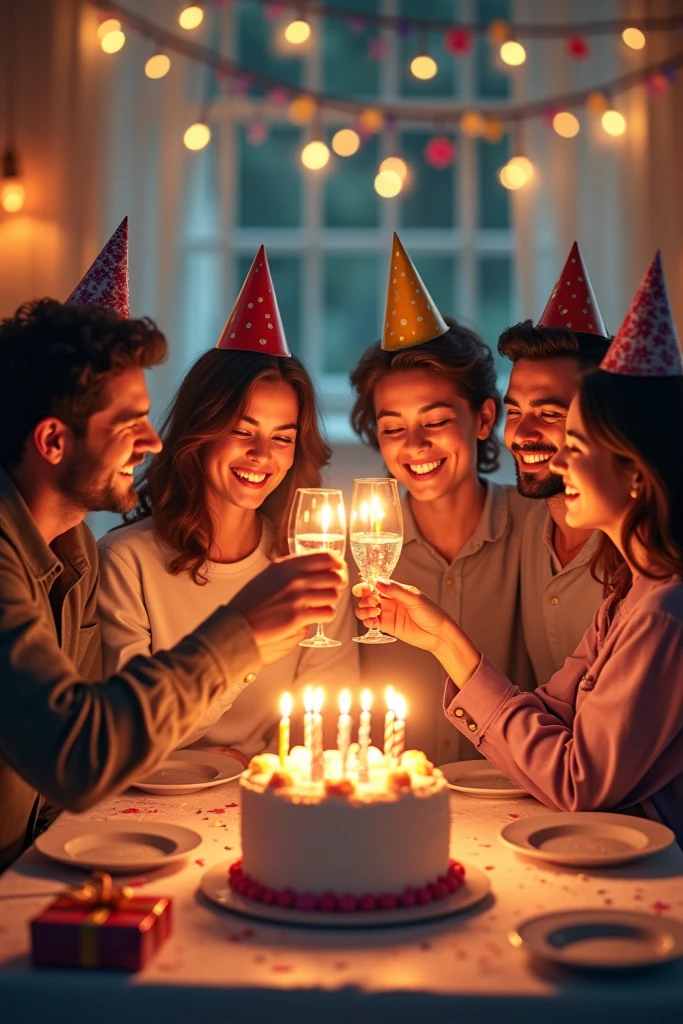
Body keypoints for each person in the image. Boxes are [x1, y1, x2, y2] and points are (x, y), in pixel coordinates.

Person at [0, 238, 345, 871]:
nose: (152, 439)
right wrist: (243, 632)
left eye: (282, 437)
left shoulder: (72, 554)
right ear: (52, 440)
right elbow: (82, 753)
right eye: (128, 421)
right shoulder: (87, 557)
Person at [356, 252, 683, 842]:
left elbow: (579, 783)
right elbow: (553, 711)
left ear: (635, 471)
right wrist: (443, 639)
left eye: (571, 438)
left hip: (643, 858)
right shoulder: (630, 591)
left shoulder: (661, 611)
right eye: (519, 412)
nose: (550, 451)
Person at [97, 247, 358, 763]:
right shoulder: (126, 562)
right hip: (150, 805)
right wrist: (245, 652)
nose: (262, 456)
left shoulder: (305, 564)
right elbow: (128, 735)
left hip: (270, 798)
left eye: (282, 438)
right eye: (242, 432)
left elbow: (330, 721)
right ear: (200, 434)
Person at [349, 234, 533, 766]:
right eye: (393, 428)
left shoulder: (540, 528)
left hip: (518, 795)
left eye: (434, 421)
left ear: (482, 419)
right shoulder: (357, 552)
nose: (415, 446)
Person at [499, 243, 611, 683]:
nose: (523, 434)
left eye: (549, 414)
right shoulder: (527, 528)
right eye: (514, 412)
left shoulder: (645, 556)